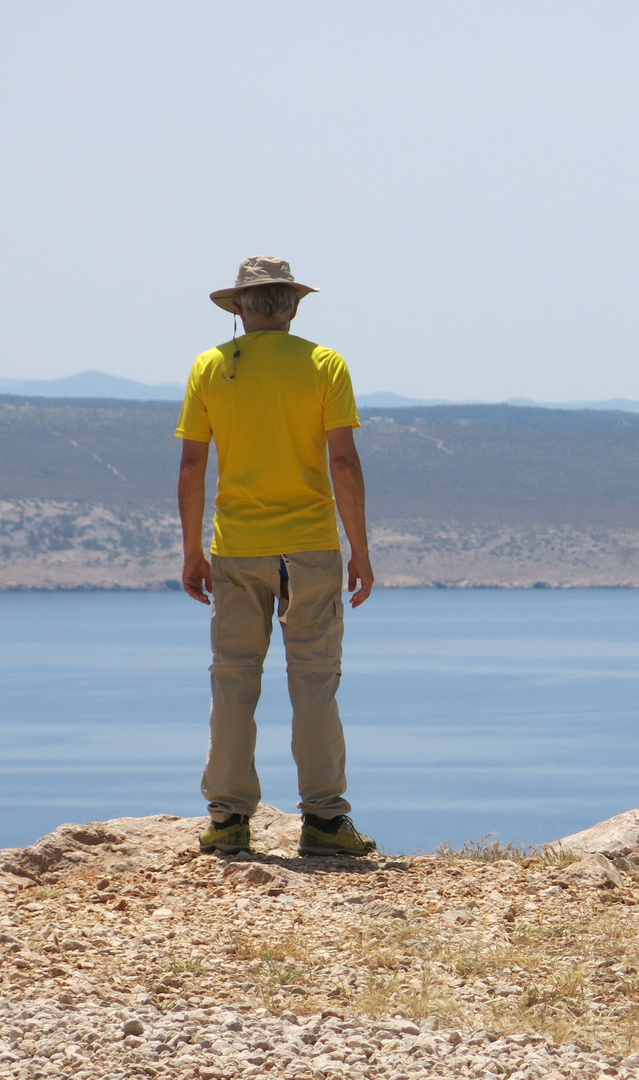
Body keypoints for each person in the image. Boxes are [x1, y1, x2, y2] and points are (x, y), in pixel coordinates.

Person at [175, 255, 378, 859]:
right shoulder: (324, 364)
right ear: (292, 305)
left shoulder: (210, 367)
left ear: (239, 307)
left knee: (234, 681)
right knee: (314, 682)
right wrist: (360, 550)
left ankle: (229, 818)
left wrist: (192, 552)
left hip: (236, 547)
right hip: (311, 547)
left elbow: (192, 465)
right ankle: (323, 821)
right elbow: (342, 462)